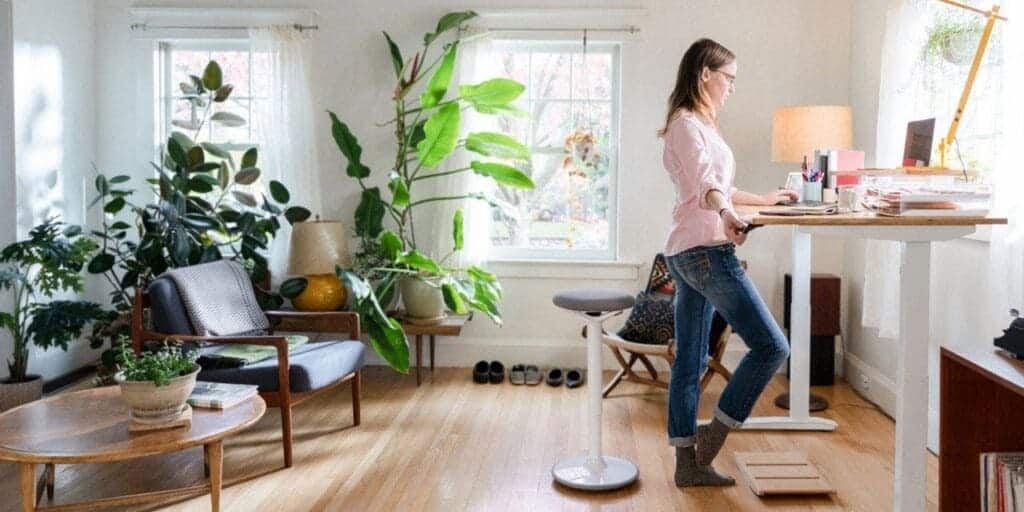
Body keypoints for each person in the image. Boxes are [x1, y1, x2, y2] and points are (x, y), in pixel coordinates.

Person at [659, 38, 798, 487]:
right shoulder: (687, 125)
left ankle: (687, 467)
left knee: (690, 362)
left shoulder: (700, 124)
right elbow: (706, 186)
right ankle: (708, 446)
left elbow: (720, 185)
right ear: (705, 75)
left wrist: (764, 200)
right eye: (729, 78)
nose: (733, 88)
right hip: (703, 252)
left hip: (688, 252)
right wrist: (726, 215)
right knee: (773, 347)